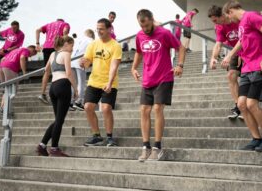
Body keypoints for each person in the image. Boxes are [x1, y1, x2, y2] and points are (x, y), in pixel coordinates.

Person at [222, 0, 262, 152]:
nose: (229, 20)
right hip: (247, 68)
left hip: (260, 66)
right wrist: (229, 55)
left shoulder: (251, 16)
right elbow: (241, 41)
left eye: (228, 17)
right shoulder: (241, 24)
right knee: (241, 105)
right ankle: (256, 138)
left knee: (251, 104)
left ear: (230, 11)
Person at [131, 9, 186, 162]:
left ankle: (157, 147)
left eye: (147, 26)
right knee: (144, 110)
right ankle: (145, 146)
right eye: (142, 27)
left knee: (157, 108)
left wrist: (180, 65)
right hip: (148, 78)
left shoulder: (164, 33)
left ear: (152, 20)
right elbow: (139, 52)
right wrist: (134, 68)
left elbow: (180, 47)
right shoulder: (139, 35)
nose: (145, 29)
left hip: (164, 76)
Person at [79, 18, 122, 147]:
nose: (99, 31)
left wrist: (109, 82)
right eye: (97, 29)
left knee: (106, 108)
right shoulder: (93, 44)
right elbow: (87, 62)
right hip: (94, 81)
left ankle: (109, 137)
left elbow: (114, 66)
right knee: (87, 107)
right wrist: (83, 63)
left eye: (101, 29)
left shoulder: (115, 45)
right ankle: (96, 135)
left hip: (109, 82)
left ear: (109, 29)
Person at [36, 36, 77, 157]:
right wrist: (76, 89)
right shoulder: (66, 54)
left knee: (58, 119)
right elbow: (69, 73)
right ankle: (54, 148)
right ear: (66, 44)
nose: (72, 48)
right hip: (63, 85)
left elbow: (47, 71)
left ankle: (42, 145)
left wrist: (43, 90)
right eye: (71, 45)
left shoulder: (52, 54)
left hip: (53, 87)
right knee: (59, 120)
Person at [208, 5, 242, 120]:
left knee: (248, 78)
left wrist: (233, 55)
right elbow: (218, 44)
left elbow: (245, 38)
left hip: (249, 50)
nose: (215, 23)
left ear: (222, 16)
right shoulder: (220, 27)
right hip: (235, 52)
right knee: (231, 76)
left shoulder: (236, 20)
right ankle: (238, 106)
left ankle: (246, 104)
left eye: (215, 20)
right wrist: (213, 58)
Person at [36, 19, 70, 104]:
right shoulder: (65, 24)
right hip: (57, 46)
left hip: (46, 47)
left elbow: (37, 30)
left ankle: (43, 93)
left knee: (47, 71)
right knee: (60, 70)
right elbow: (65, 31)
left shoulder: (49, 24)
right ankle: (57, 93)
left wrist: (37, 43)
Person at [0, 46, 37, 114]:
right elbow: (22, 58)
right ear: (32, 50)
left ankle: (2, 107)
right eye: (32, 54)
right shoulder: (26, 50)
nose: (29, 56)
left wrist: (2, 67)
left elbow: (2, 59)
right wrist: (24, 73)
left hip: (1, 67)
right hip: (10, 68)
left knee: (6, 90)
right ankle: (4, 108)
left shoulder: (15, 50)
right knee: (12, 90)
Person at [0, 21, 25, 86]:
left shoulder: (21, 34)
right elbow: (0, 33)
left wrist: (8, 50)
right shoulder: (9, 30)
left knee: (2, 62)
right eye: (12, 28)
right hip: (3, 50)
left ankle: (5, 82)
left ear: (18, 27)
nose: (13, 30)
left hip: (11, 52)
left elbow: (18, 45)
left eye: (15, 28)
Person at [70, 29, 95, 111]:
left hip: (72, 61)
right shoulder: (91, 40)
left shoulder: (78, 39)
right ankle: (78, 102)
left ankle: (70, 102)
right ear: (91, 34)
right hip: (80, 62)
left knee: (73, 83)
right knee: (81, 82)